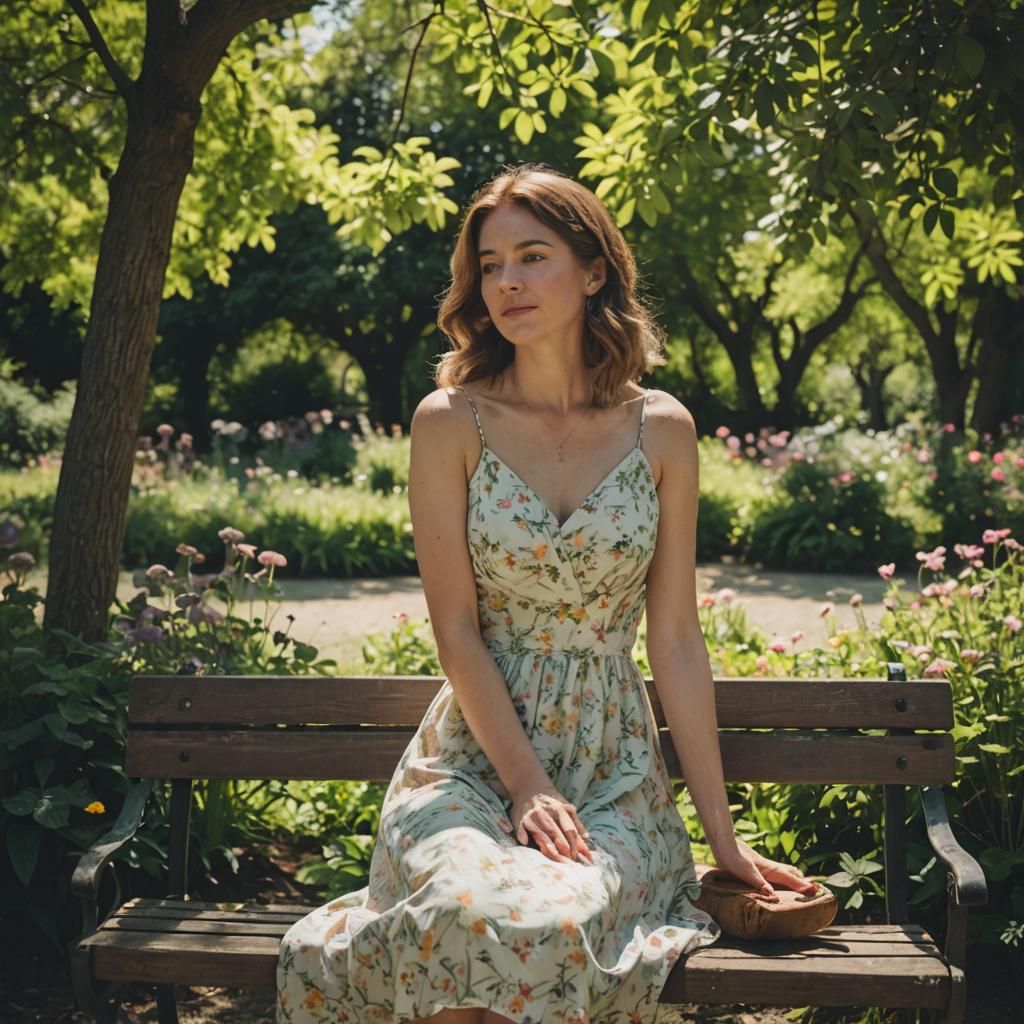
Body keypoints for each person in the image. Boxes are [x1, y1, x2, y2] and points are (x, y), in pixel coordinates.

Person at [276, 163, 818, 1024]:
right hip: (473, 763)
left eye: (532, 256)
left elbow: (675, 641)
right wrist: (527, 785)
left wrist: (722, 840)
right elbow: (457, 630)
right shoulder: (450, 420)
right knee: (463, 912)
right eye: (490, 265)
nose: (508, 283)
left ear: (594, 269)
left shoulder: (664, 431)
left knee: (549, 922)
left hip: (614, 768)